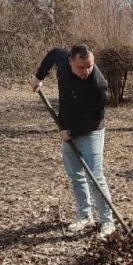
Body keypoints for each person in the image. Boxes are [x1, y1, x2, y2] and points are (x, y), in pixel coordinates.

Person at [30, 42, 116, 237]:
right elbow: (52, 54)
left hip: (90, 130)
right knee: (75, 174)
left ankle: (107, 221)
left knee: (94, 176)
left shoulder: (98, 85)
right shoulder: (62, 58)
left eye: (90, 66)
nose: (86, 71)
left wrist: (71, 132)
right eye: (81, 67)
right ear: (70, 61)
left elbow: (94, 118)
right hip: (67, 126)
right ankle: (85, 216)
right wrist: (38, 77)